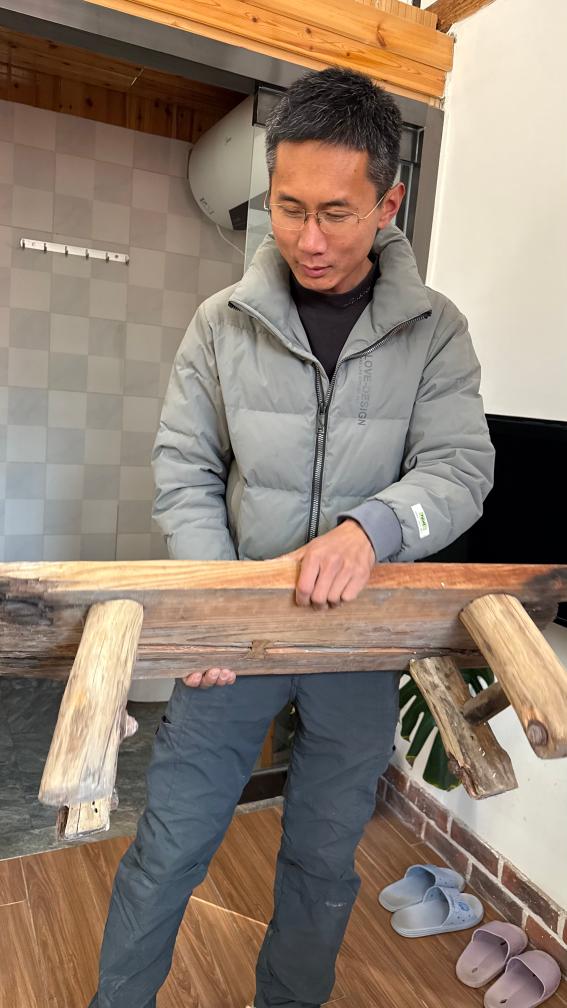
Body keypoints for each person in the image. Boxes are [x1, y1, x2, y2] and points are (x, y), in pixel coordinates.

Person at [88, 67, 494, 1008]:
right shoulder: (219, 323)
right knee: (168, 847)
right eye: (288, 208)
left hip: (359, 640)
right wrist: (218, 603)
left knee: (322, 858)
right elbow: (184, 466)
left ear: (387, 203)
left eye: (337, 214)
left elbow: (459, 470)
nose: (308, 239)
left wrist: (371, 529)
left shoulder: (437, 332)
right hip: (234, 636)